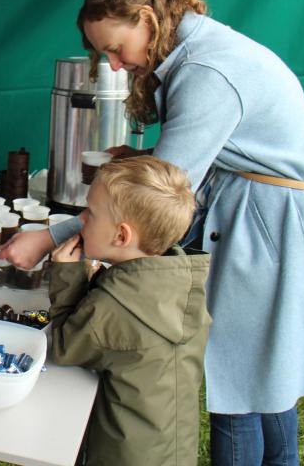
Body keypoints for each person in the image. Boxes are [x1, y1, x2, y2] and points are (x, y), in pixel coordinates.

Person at [0, 0, 304, 466]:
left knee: (237, 382)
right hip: (268, 217)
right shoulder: (194, 53)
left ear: (146, 20)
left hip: (264, 228)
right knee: (264, 374)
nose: (115, 63)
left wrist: (49, 236)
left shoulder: (205, 74)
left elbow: (156, 198)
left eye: (115, 48)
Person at [48, 156, 209, 466]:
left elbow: (66, 345)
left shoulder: (115, 307)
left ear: (121, 236)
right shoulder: (178, 280)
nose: (81, 219)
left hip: (121, 455)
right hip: (172, 448)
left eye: (90, 214)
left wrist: (68, 276)